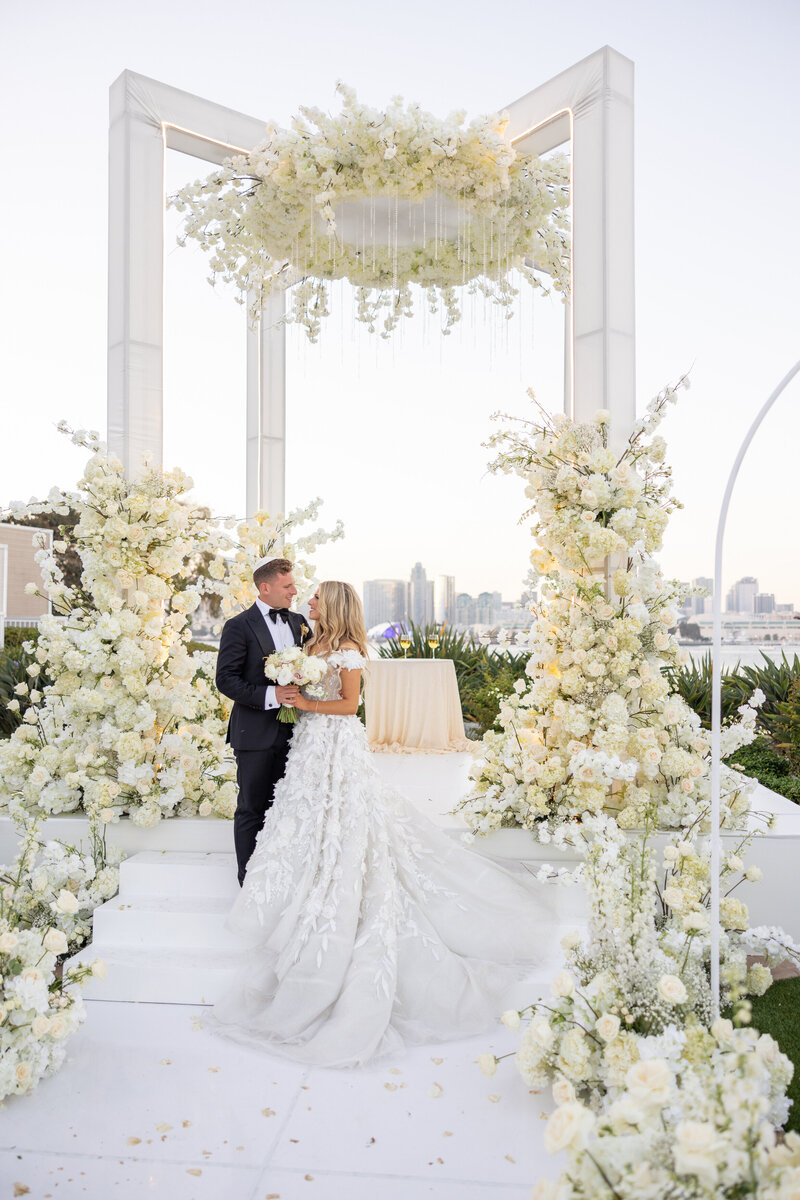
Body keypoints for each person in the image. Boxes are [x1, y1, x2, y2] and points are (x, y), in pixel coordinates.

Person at [208, 580, 557, 1067]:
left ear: (333, 604)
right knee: (303, 815)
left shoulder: (348, 650)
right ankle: (296, 882)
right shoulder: (309, 638)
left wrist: (303, 702)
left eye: (314, 597)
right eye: (300, 593)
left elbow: (349, 706)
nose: (306, 600)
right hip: (309, 745)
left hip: (335, 743)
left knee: (346, 818)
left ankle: (338, 880)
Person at [215, 556, 310, 885]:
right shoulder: (238, 626)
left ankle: (284, 878)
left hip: (298, 735)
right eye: (288, 586)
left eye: (294, 584)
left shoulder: (299, 622)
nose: (294, 591)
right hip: (254, 735)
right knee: (252, 809)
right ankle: (250, 883)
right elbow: (225, 680)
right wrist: (273, 697)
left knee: (288, 807)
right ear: (265, 587)